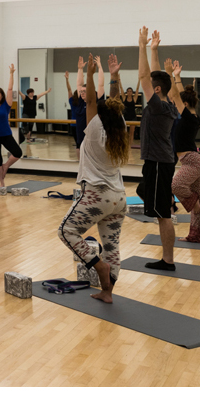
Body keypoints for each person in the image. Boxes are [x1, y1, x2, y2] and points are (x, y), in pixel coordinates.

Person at [57, 53, 129, 303]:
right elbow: (116, 99)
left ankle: (98, 267)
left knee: (66, 231)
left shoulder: (96, 125)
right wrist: (114, 75)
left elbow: (89, 101)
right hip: (119, 198)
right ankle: (107, 293)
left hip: (97, 194)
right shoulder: (120, 125)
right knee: (111, 246)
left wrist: (88, 72)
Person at [138, 28, 183, 271]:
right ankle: (167, 203)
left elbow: (146, 76)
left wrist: (141, 46)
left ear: (156, 91)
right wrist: (154, 50)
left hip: (157, 163)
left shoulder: (157, 107)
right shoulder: (168, 104)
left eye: (150, 87)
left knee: (162, 214)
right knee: (144, 192)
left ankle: (168, 261)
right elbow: (155, 77)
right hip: (159, 162)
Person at [170, 64, 200, 243]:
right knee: (197, 196)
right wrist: (178, 77)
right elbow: (181, 96)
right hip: (193, 160)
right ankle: (195, 235)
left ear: (184, 105)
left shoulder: (188, 117)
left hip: (192, 161)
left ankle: (196, 207)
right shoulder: (193, 117)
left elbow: (177, 96)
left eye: (178, 105)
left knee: (176, 185)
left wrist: (173, 75)